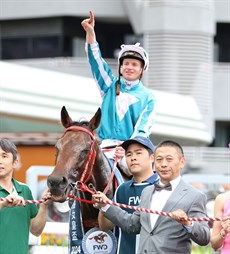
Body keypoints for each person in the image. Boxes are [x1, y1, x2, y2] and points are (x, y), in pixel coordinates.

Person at [92, 140, 210, 254]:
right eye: (159, 159)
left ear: (182, 162)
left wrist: (187, 223)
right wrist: (106, 205)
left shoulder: (195, 196)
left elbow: (204, 237)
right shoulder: (147, 192)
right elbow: (132, 224)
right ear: (154, 160)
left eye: (169, 159)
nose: (163, 164)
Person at [81, 11, 155, 174]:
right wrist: (90, 33)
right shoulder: (109, 84)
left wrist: (129, 149)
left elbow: (142, 129)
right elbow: (96, 62)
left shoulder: (147, 97)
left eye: (134, 64)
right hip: (102, 147)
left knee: (132, 171)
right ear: (120, 67)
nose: (129, 67)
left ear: (142, 69)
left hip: (129, 152)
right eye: (126, 63)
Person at [96, 136, 159, 254]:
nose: (133, 158)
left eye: (138, 153)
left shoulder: (162, 187)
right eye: (129, 154)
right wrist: (103, 205)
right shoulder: (122, 189)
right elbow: (105, 226)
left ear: (152, 158)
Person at [0, 139, 52, 254]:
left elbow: (36, 231)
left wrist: (43, 206)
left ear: (15, 162)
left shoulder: (24, 190)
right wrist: (3, 204)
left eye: (4, 156)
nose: (0, 161)